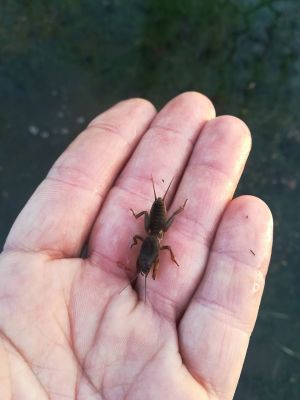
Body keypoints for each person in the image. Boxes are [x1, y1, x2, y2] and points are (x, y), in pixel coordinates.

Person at [0, 92, 273, 399]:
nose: (147, 263)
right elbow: (155, 250)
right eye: (147, 263)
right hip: (154, 227)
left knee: (164, 232)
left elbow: (158, 249)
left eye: (146, 261)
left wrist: (170, 215)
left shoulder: (153, 241)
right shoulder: (151, 242)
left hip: (155, 227)